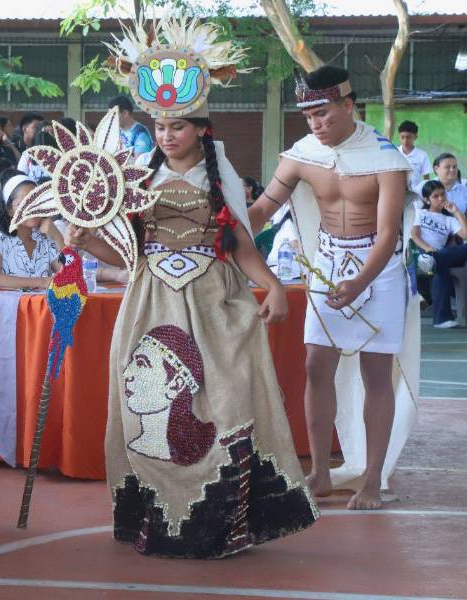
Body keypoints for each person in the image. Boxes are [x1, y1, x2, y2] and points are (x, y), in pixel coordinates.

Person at [65, 16, 318, 559]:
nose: (166, 135)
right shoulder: (135, 178)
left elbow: (240, 244)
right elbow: (127, 254)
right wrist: (87, 242)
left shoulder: (222, 178)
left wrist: (272, 286)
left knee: (223, 402)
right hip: (149, 303)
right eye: (159, 126)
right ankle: (157, 523)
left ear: (201, 128)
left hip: (213, 303)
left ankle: (221, 524)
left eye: (177, 126)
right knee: (146, 412)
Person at [248, 65, 412, 510]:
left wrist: (360, 281)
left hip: (378, 271)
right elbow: (263, 208)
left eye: (323, 114)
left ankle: (372, 480)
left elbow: (388, 234)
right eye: (309, 117)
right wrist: (229, 231)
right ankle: (320, 473)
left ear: (348, 105)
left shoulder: (385, 159)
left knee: (376, 374)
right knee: (316, 366)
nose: (316, 125)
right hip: (326, 263)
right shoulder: (302, 154)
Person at [0, 169, 63, 289]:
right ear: (9, 210)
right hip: (4, 301)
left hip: (41, 301)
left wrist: (58, 237)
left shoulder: (43, 236)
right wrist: (41, 282)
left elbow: (70, 275)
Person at [411, 180, 467, 329]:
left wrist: (456, 212)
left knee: (442, 258)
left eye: (443, 194)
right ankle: (441, 319)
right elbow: (415, 235)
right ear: (426, 200)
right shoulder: (420, 213)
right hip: (423, 253)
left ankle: (442, 319)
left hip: (440, 255)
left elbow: (465, 235)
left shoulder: (449, 219)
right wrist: (428, 248)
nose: (441, 198)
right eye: (436, 196)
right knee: (440, 264)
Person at [397, 121, 431, 192]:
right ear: (399, 136)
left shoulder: (422, 155)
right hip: (397, 192)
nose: (405, 141)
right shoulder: (395, 153)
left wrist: (428, 193)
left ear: (415, 137)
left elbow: (426, 179)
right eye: (402, 137)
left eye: (409, 137)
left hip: (415, 193)